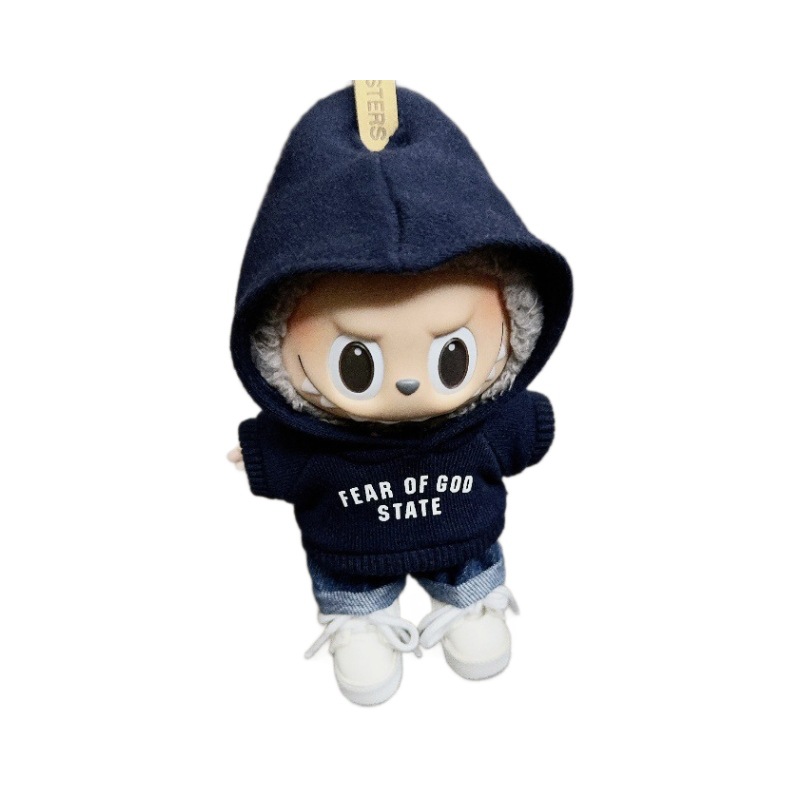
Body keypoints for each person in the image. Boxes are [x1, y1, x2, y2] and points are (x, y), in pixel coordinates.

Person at [229, 85, 572, 705]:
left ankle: (471, 602)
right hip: (350, 552)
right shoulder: (309, 439)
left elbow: (527, 427)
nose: (409, 384)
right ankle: (359, 619)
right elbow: (276, 453)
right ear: (272, 337)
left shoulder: (485, 422)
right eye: (357, 361)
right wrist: (252, 451)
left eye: (451, 354)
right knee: (347, 580)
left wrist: (537, 423)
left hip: (465, 541)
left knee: (471, 565)